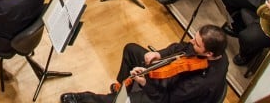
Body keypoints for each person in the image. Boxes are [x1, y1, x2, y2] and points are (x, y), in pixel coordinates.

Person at [60, 24, 228, 103]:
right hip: (172, 78)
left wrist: (145, 83)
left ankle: (84, 99)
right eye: (194, 37)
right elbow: (180, 47)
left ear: (209, 53)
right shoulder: (213, 48)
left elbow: (166, 99)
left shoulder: (202, 83)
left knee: (115, 102)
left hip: (169, 98)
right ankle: (122, 87)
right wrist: (158, 53)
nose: (191, 42)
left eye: (196, 43)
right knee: (131, 50)